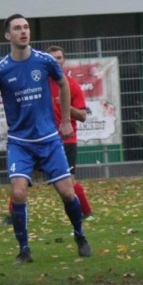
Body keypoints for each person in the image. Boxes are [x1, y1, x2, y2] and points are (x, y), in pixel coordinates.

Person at [0, 14, 90, 264]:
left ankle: (80, 235)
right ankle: (24, 250)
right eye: (17, 28)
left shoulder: (44, 61)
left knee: (67, 193)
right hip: (20, 143)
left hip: (50, 141)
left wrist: (65, 120)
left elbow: (64, 86)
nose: (24, 31)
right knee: (18, 193)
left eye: (26, 27)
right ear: (8, 36)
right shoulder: (1, 70)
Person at [47, 46, 93, 218]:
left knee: (69, 181)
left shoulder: (71, 85)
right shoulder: (40, 84)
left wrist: (65, 105)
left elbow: (82, 116)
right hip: (43, 140)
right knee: (22, 176)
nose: (56, 61)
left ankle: (87, 212)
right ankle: (12, 215)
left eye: (59, 57)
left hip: (66, 141)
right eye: (52, 58)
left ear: (64, 60)